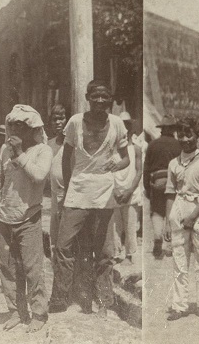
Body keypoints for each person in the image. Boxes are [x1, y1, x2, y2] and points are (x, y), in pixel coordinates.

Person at [50, 79, 130, 318]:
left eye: (105, 96)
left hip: (104, 194)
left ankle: (104, 300)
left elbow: (126, 158)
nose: (100, 101)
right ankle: (60, 298)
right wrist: (66, 193)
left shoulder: (116, 124)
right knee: (63, 246)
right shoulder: (75, 122)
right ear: (87, 97)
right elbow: (66, 159)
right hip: (77, 191)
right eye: (95, 96)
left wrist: (116, 164)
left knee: (104, 251)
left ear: (110, 100)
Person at [0, 105, 52, 333]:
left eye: (21, 125)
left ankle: (38, 314)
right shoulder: (5, 152)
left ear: (31, 128)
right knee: (8, 268)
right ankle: (16, 311)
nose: (15, 128)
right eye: (12, 124)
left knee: (32, 268)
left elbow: (38, 176)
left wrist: (19, 154)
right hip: (7, 217)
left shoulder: (42, 151)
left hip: (29, 217)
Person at [163, 117, 199, 322]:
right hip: (179, 209)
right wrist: (168, 222)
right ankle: (179, 305)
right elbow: (170, 194)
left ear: (197, 136)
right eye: (181, 134)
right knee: (179, 259)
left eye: (189, 134)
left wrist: (193, 216)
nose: (185, 139)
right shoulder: (173, 164)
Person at [144, 115, 181, 259]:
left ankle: (158, 237)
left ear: (162, 129)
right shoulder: (178, 145)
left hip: (157, 181)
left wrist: (147, 186)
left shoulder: (153, 144)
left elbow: (146, 168)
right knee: (173, 212)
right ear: (173, 130)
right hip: (174, 181)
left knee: (157, 212)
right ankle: (171, 244)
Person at [108, 113, 143, 263]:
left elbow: (139, 170)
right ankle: (116, 254)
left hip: (131, 192)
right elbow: (107, 171)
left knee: (130, 225)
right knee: (115, 226)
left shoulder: (136, 149)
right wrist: (114, 190)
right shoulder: (111, 150)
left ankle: (130, 254)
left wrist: (130, 190)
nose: (125, 131)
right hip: (114, 191)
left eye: (127, 127)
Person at [45, 105, 69, 258]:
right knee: (55, 230)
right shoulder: (49, 144)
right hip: (55, 194)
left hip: (70, 193)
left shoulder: (72, 143)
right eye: (55, 119)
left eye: (61, 119)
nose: (58, 122)